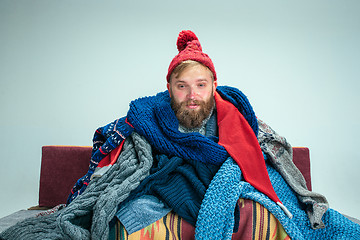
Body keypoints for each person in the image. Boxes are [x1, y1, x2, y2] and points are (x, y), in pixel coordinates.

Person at [1, 30, 359, 240]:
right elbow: (113, 160)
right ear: (169, 88)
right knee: (127, 213)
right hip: (161, 190)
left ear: (213, 86)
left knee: (258, 208)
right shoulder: (149, 118)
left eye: (200, 85)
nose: (192, 95)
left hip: (222, 183)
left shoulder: (238, 119)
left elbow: (267, 158)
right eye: (182, 86)